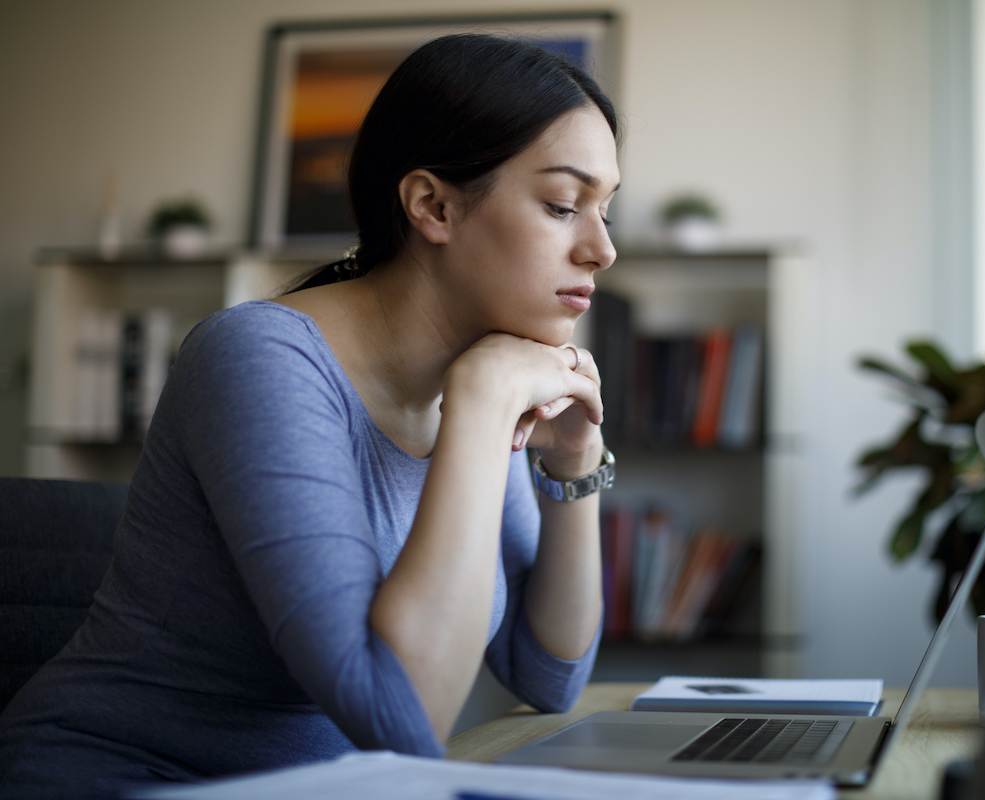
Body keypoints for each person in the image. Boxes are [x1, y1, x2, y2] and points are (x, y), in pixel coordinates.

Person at [0, 34, 620, 799]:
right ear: (433, 206)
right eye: (563, 205)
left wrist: (574, 458)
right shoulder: (259, 356)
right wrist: (484, 409)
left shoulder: (478, 375)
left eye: (605, 211)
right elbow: (400, 718)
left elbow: (550, 674)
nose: (602, 249)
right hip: (127, 779)